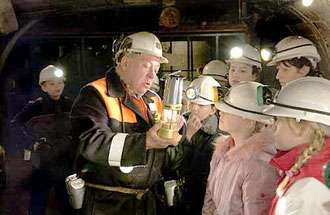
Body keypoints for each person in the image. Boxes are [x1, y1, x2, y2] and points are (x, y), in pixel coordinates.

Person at [70, 31, 184, 215]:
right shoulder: (96, 94)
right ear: (125, 62)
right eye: (146, 66)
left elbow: (164, 152)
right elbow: (90, 142)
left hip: (147, 202)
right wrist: (146, 142)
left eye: (156, 69)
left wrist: (181, 130)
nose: (151, 75)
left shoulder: (154, 100)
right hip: (107, 205)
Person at [202, 81, 278, 215]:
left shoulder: (259, 165)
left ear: (249, 122)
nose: (220, 112)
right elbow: (210, 198)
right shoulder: (223, 152)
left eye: (229, 110)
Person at [10, 65, 75, 215]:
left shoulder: (69, 105)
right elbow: (14, 126)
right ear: (43, 87)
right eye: (51, 84)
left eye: (60, 83)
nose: (57, 87)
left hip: (65, 161)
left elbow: (79, 127)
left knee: (68, 202)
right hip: (43, 161)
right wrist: (31, 143)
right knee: (38, 202)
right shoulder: (36, 107)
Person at [262, 77, 330, 215]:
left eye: (279, 120)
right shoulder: (313, 171)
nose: (274, 127)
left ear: (303, 126)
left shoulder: (309, 189)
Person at [173, 76, 221, 215]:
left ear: (213, 109)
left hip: (203, 198)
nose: (194, 108)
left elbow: (198, 169)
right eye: (192, 103)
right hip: (180, 197)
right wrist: (187, 136)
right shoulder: (179, 123)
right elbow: (171, 165)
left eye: (201, 105)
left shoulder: (220, 134)